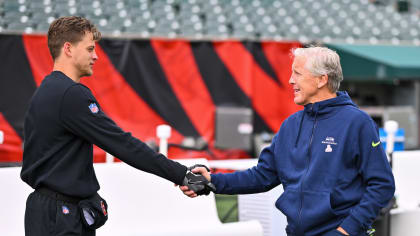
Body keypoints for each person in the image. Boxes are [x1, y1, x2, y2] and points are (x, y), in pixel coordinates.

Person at [20, 16, 208, 236]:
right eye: (90, 49)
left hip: (43, 212)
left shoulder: (44, 90)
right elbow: (123, 145)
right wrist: (184, 175)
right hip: (62, 216)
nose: (96, 56)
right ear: (68, 49)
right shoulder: (71, 94)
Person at [181, 46, 395, 236]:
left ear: (322, 79)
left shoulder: (358, 123)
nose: (291, 80)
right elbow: (262, 176)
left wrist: (347, 230)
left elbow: (382, 185)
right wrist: (213, 180)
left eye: (298, 74)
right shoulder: (290, 125)